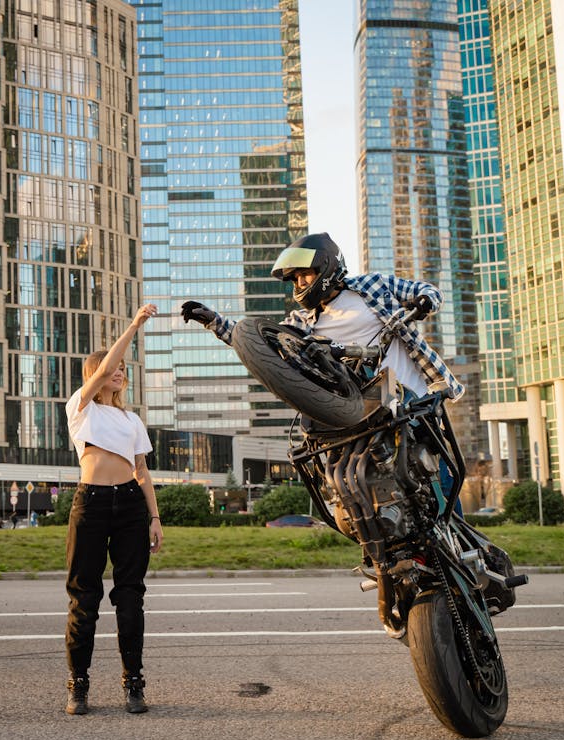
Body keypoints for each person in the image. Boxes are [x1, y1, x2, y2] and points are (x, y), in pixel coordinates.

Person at [182, 232, 518, 611]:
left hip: (412, 403)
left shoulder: (371, 286)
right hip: (363, 415)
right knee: (348, 478)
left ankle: (463, 551)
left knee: (438, 486)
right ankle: (382, 553)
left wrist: (425, 300)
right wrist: (216, 323)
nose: (299, 284)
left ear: (326, 266)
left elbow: (423, 289)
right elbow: (264, 347)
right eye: (293, 280)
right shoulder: (301, 321)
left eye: (304, 275)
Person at [64, 303, 163, 716]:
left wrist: (155, 517)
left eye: (123, 368)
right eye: (112, 366)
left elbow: (142, 472)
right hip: (90, 504)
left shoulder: (132, 421)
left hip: (129, 507)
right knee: (84, 598)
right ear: (95, 373)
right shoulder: (80, 408)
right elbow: (104, 371)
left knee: (129, 597)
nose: (118, 372)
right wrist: (135, 325)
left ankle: (133, 683)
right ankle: (79, 685)